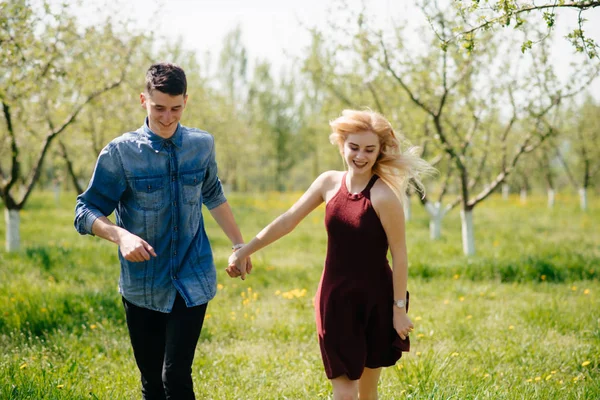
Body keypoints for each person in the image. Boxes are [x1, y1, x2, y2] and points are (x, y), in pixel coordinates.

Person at [227, 109, 432, 400]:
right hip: (335, 300)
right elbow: (288, 220)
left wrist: (398, 310)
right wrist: (244, 250)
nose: (360, 156)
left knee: (368, 391)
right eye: (354, 147)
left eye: (369, 150)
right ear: (342, 144)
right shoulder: (328, 183)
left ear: (379, 152)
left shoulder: (384, 197)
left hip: (377, 301)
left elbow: (400, 255)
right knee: (346, 391)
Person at [74, 62, 250, 400]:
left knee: (176, 376)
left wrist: (239, 245)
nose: (167, 117)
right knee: (152, 382)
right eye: (158, 108)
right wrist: (120, 235)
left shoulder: (202, 145)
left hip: (192, 277)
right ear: (143, 100)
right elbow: (85, 210)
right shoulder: (120, 153)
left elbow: (212, 194)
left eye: (175, 108)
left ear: (186, 101)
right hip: (142, 284)